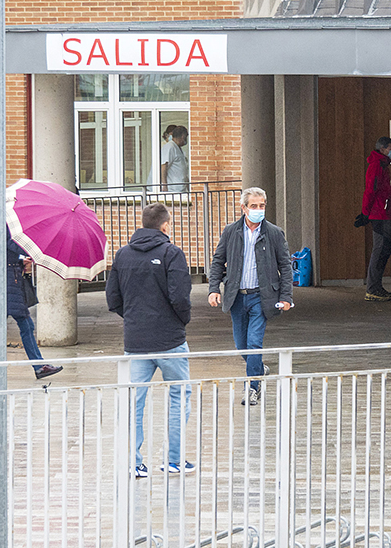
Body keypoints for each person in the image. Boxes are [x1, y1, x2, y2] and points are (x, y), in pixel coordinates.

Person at [106, 203, 194, 478]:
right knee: (179, 396)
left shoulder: (123, 255)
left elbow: (113, 299)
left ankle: (134, 463)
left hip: (136, 342)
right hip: (170, 340)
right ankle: (174, 461)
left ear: (143, 224)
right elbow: (180, 297)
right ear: (165, 225)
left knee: (134, 401)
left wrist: (133, 317)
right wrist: (181, 320)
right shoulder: (172, 253)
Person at [208, 187, 293, 406]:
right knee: (241, 345)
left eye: (261, 206)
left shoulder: (274, 233)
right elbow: (218, 261)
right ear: (243, 208)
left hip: (261, 296)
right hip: (237, 296)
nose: (258, 210)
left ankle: (252, 389)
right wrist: (214, 289)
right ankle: (258, 367)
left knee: (254, 344)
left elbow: (285, 265)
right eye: (253, 206)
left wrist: (286, 297)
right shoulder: (231, 231)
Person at [0, 226, 63, 380]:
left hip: (6, 283)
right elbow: (11, 245)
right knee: (25, 325)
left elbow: (7, 252)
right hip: (7, 285)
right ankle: (39, 366)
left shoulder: (4, 222)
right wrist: (32, 249)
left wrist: (20, 259)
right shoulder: (4, 223)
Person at [360, 137, 391, 301]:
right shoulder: (377, 166)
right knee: (380, 249)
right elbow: (371, 189)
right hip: (379, 214)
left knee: (385, 249)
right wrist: (365, 212)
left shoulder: (384, 165)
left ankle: (376, 286)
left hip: (384, 213)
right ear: (382, 149)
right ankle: (372, 288)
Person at [160, 125, 190, 192]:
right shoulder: (170, 147)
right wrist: (164, 185)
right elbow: (164, 166)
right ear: (183, 136)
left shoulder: (178, 148)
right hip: (173, 189)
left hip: (181, 188)